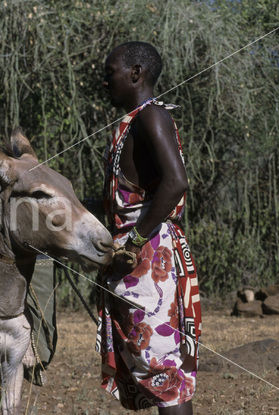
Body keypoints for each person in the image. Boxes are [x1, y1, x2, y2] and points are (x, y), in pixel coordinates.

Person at [95, 41, 202, 414]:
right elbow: (127, 198)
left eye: (110, 74)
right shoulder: (134, 122)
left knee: (164, 373)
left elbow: (176, 182)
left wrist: (134, 243)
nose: (104, 82)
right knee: (154, 367)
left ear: (136, 73)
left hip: (146, 254)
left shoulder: (151, 117)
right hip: (136, 254)